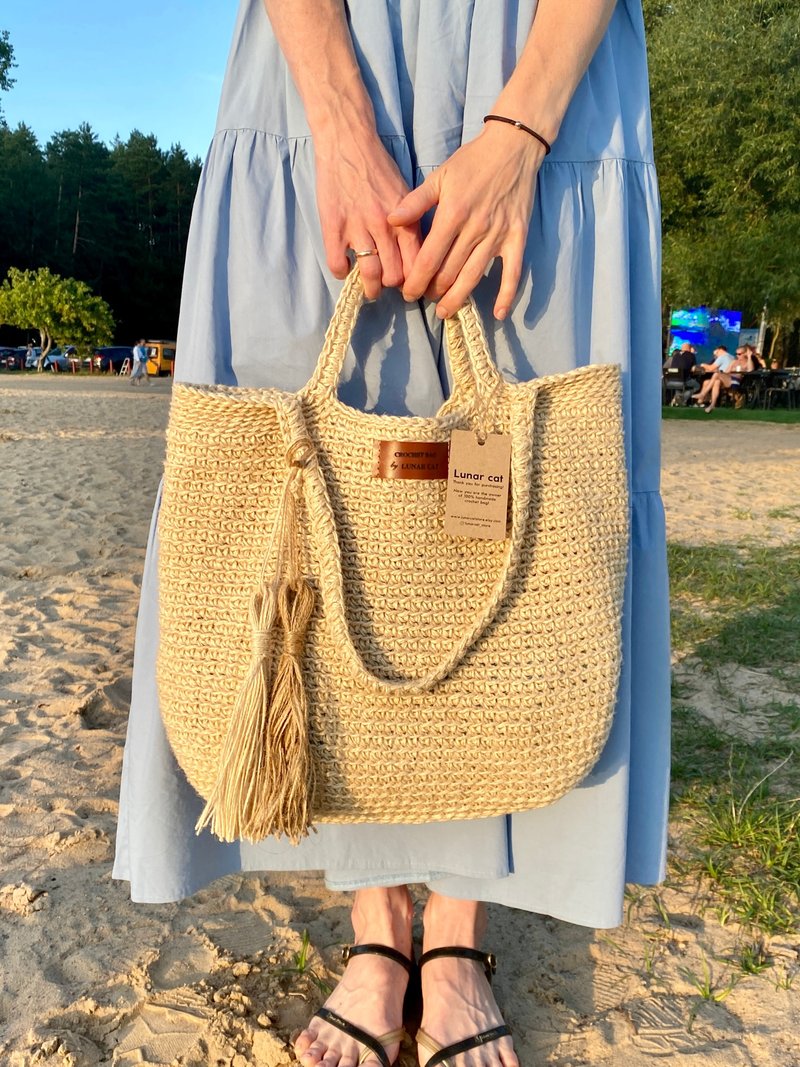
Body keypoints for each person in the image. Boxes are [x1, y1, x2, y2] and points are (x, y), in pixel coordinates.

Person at [114, 3, 670, 1066]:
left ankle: (454, 943)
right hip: (327, 48)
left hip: (547, 58)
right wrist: (332, 105)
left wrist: (520, 129)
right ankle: (378, 930)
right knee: (320, 501)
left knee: (523, 494)